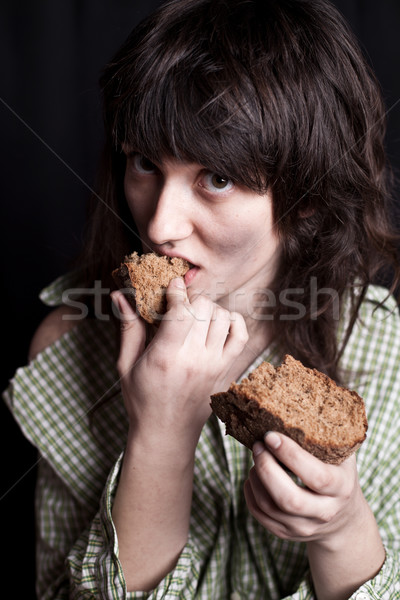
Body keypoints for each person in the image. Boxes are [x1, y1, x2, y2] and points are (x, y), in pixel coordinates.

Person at [4, 0, 400, 598]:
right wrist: (160, 434)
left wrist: (341, 530)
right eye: (143, 163)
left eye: (216, 178)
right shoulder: (67, 350)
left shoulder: (381, 345)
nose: (160, 223)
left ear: (308, 198)